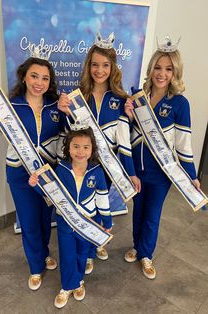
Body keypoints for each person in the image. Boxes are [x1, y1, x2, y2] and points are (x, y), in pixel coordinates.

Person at [0, 56, 67, 290]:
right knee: (28, 221)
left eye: (45, 78)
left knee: (46, 219)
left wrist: (70, 114)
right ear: (24, 77)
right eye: (34, 76)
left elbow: (67, 140)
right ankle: (36, 266)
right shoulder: (9, 105)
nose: (39, 82)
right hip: (19, 175)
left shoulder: (55, 105)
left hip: (48, 174)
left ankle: (44, 253)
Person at [58, 32, 141, 273]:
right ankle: (87, 248)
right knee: (84, 206)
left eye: (105, 65)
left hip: (107, 167)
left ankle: (96, 242)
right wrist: (64, 112)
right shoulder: (76, 96)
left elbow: (124, 139)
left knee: (100, 207)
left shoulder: (121, 99)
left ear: (113, 67)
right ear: (88, 66)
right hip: (80, 166)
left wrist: (131, 173)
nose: (99, 70)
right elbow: (69, 135)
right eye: (95, 64)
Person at [124, 37, 200, 279]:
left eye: (168, 69)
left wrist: (192, 176)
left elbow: (183, 144)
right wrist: (129, 117)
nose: (162, 73)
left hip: (161, 173)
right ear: (151, 69)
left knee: (152, 214)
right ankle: (137, 247)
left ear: (175, 73)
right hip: (137, 168)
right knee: (138, 210)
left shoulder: (179, 103)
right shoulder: (138, 97)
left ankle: (146, 254)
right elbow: (128, 135)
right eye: (158, 67)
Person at [29, 125, 112, 308]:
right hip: (65, 223)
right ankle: (67, 287)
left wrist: (107, 221)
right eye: (75, 146)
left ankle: (79, 281)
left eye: (85, 147)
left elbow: (102, 198)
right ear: (68, 147)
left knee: (82, 254)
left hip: (87, 223)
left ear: (92, 149)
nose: (80, 151)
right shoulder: (61, 169)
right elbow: (51, 195)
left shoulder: (97, 171)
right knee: (67, 255)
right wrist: (36, 184)